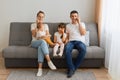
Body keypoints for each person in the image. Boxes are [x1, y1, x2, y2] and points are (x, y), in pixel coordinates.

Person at [31, 11, 56, 77]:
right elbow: (34, 35)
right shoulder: (33, 25)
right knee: (42, 42)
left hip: (44, 42)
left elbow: (48, 35)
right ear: (37, 17)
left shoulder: (45, 25)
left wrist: (43, 37)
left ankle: (40, 69)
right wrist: (36, 25)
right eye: (39, 16)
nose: (41, 18)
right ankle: (49, 61)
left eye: (42, 17)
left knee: (41, 46)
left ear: (43, 18)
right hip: (34, 42)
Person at [64, 10, 87, 78]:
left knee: (83, 49)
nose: (74, 17)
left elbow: (83, 33)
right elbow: (67, 36)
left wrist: (79, 22)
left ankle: (72, 68)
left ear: (77, 17)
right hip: (71, 41)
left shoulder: (82, 24)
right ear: (70, 17)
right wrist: (66, 41)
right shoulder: (68, 25)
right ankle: (72, 68)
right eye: (72, 16)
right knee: (67, 49)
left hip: (80, 42)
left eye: (75, 16)